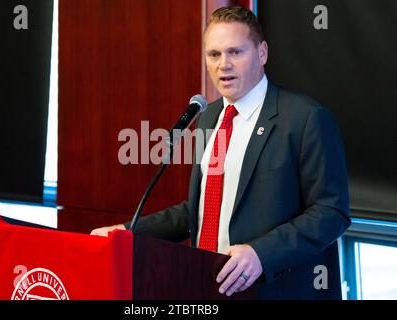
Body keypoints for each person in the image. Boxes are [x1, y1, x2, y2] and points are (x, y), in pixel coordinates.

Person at [91, 6, 350, 299]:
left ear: (262, 53)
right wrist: (127, 233)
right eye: (213, 54)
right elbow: (197, 209)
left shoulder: (305, 118)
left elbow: (331, 212)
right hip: (207, 284)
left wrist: (260, 254)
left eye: (235, 52)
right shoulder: (209, 117)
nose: (223, 64)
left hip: (274, 290)